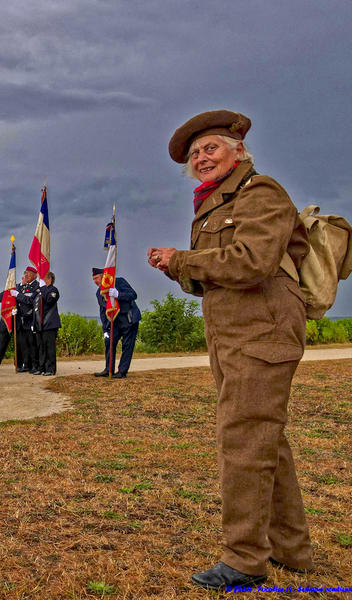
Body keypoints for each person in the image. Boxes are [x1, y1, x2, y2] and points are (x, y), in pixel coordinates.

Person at [148, 110, 313, 590]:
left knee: (245, 441)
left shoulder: (260, 192)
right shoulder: (213, 204)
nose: (201, 158)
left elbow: (252, 262)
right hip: (235, 335)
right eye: (195, 155)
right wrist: (180, 268)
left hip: (262, 334)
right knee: (264, 440)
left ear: (238, 150)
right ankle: (292, 550)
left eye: (211, 148)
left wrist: (183, 260)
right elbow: (217, 279)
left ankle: (244, 561)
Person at [92, 268, 141, 379]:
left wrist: (118, 294)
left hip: (129, 318)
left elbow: (133, 295)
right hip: (115, 322)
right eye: (93, 279)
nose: (95, 281)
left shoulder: (118, 282)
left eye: (96, 278)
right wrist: (105, 330)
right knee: (110, 343)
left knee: (127, 346)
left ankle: (122, 372)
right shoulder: (99, 293)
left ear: (103, 276)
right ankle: (108, 369)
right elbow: (103, 312)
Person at [12, 266, 40, 373]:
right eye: (25, 273)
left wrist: (18, 295)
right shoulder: (24, 287)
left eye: (28, 273)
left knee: (32, 344)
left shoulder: (37, 287)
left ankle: (34, 366)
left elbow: (30, 301)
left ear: (35, 275)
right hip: (21, 320)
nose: (26, 275)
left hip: (31, 319)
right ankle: (26, 365)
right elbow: (20, 301)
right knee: (23, 344)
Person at [34, 271, 61, 376]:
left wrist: (43, 289)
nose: (43, 281)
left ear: (49, 279)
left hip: (50, 324)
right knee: (41, 347)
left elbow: (50, 300)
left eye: (44, 279)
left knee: (49, 347)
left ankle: (50, 369)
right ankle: (42, 368)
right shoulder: (41, 290)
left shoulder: (53, 290)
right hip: (40, 324)